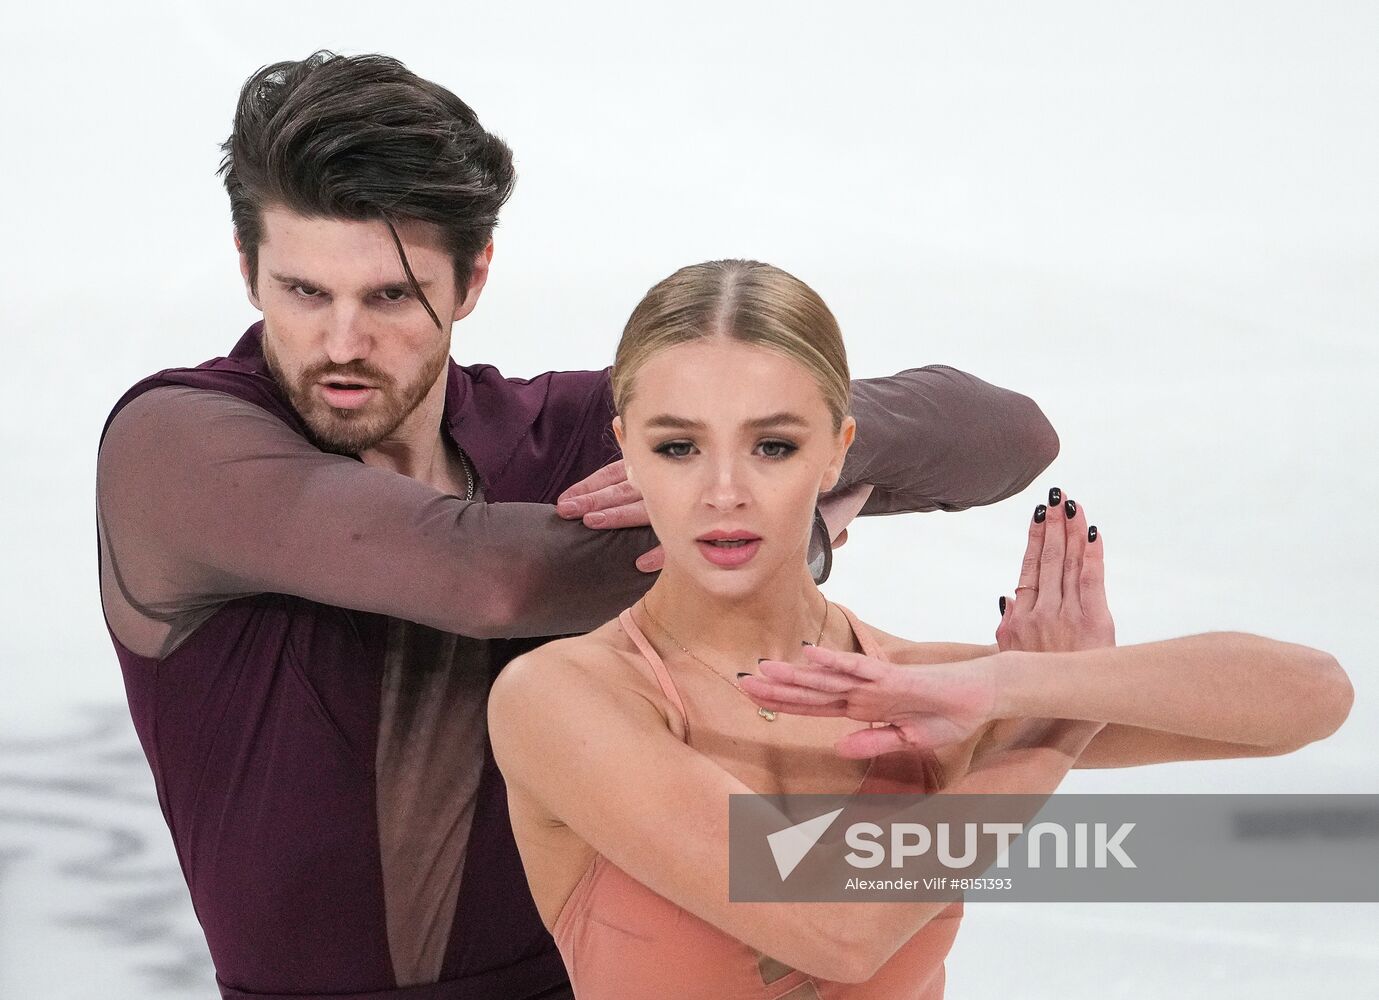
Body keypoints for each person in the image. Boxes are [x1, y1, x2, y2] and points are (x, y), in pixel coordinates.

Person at [95, 53, 1064, 1000]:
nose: (341, 342)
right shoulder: (177, 448)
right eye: (304, 292)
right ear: (247, 267)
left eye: (390, 296)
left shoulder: (565, 436)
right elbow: (488, 579)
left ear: (471, 279)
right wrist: (767, 528)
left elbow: (1004, 435)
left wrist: (727, 456)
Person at [487, 259, 1353, 998]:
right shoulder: (564, 695)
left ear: (839, 453)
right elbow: (838, 927)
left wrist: (1023, 685)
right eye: (678, 447)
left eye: (773, 447)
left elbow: (1309, 698)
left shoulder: (924, 690)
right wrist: (1050, 735)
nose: (723, 491)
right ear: (626, 452)